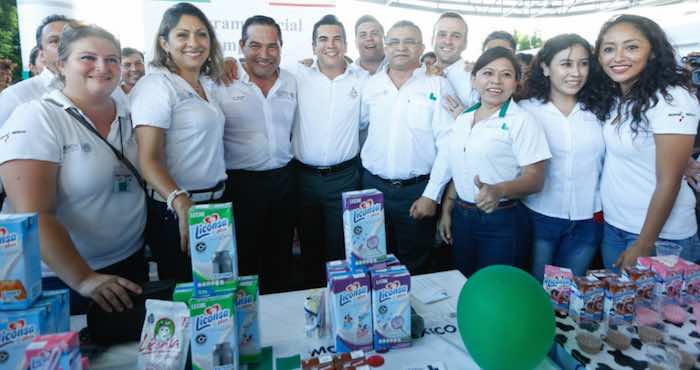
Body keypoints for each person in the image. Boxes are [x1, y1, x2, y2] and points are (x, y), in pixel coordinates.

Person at [0, 22, 146, 314]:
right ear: (62, 65)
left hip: (130, 263)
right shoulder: (37, 117)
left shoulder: (129, 108)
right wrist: (84, 279)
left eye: (112, 59)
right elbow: (33, 214)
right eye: (87, 58)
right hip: (64, 279)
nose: (102, 67)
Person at [433, 47, 551, 277]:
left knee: (498, 291)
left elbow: (535, 179)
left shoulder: (522, 121)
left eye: (506, 75)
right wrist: (447, 210)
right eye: (487, 73)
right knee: (465, 284)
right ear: (473, 79)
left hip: (502, 221)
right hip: (462, 217)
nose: (496, 81)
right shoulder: (465, 118)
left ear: (517, 82)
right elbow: (461, 167)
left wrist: (499, 189)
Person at [130, 2, 227, 282]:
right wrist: (180, 201)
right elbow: (148, 160)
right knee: (187, 301)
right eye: (182, 35)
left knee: (216, 296)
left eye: (201, 34)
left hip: (213, 205)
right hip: (178, 212)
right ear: (164, 42)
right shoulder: (156, 87)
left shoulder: (205, 84)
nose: (193, 43)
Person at [593, 15, 699, 269]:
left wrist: (643, 243)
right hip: (616, 226)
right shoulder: (620, 97)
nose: (618, 57)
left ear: (652, 53)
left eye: (631, 47)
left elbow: (669, 180)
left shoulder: (672, 99)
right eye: (609, 49)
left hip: (658, 237)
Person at [360, 20, 455, 274]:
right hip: (372, 189)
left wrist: (431, 194)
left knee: (416, 266)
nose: (401, 47)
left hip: (416, 193)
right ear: (385, 46)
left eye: (409, 41)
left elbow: (449, 144)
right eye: (394, 41)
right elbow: (358, 129)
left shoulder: (438, 85)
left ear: (422, 47)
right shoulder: (371, 85)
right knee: (371, 262)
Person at [215, 15, 297, 294]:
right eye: (255, 45)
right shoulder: (220, 80)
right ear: (241, 45)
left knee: (281, 260)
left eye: (272, 46)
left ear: (281, 48)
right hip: (240, 186)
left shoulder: (291, 81)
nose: (264, 54)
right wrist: (224, 61)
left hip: (285, 183)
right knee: (244, 264)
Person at [517, 34, 606, 280]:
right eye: (566, 64)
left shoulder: (601, 110)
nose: (576, 72)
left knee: (569, 297)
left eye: (584, 63)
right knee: (536, 293)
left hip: (588, 218)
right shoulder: (525, 111)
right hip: (539, 215)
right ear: (545, 68)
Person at [292, 15, 365, 287]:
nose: (330, 45)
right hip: (303, 179)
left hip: (345, 178)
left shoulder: (362, 80)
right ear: (313, 46)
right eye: (323, 39)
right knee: (309, 252)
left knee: (342, 250)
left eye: (337, 39)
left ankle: (342, 310)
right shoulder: (296, 76)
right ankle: (313, 308)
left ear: (346, 44)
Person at [0, 14, 73, 127]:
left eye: (72, 39)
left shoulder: (104, 90)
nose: (65, 46)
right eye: (54, 41)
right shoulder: (15, 96)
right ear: (42, 53)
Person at [432, 12, 477, 107]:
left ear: (465, 43)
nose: (448, 41)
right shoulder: (419, 74)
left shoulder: (476, 78)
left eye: (456, 36)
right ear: (432, 39)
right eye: (442, 34)